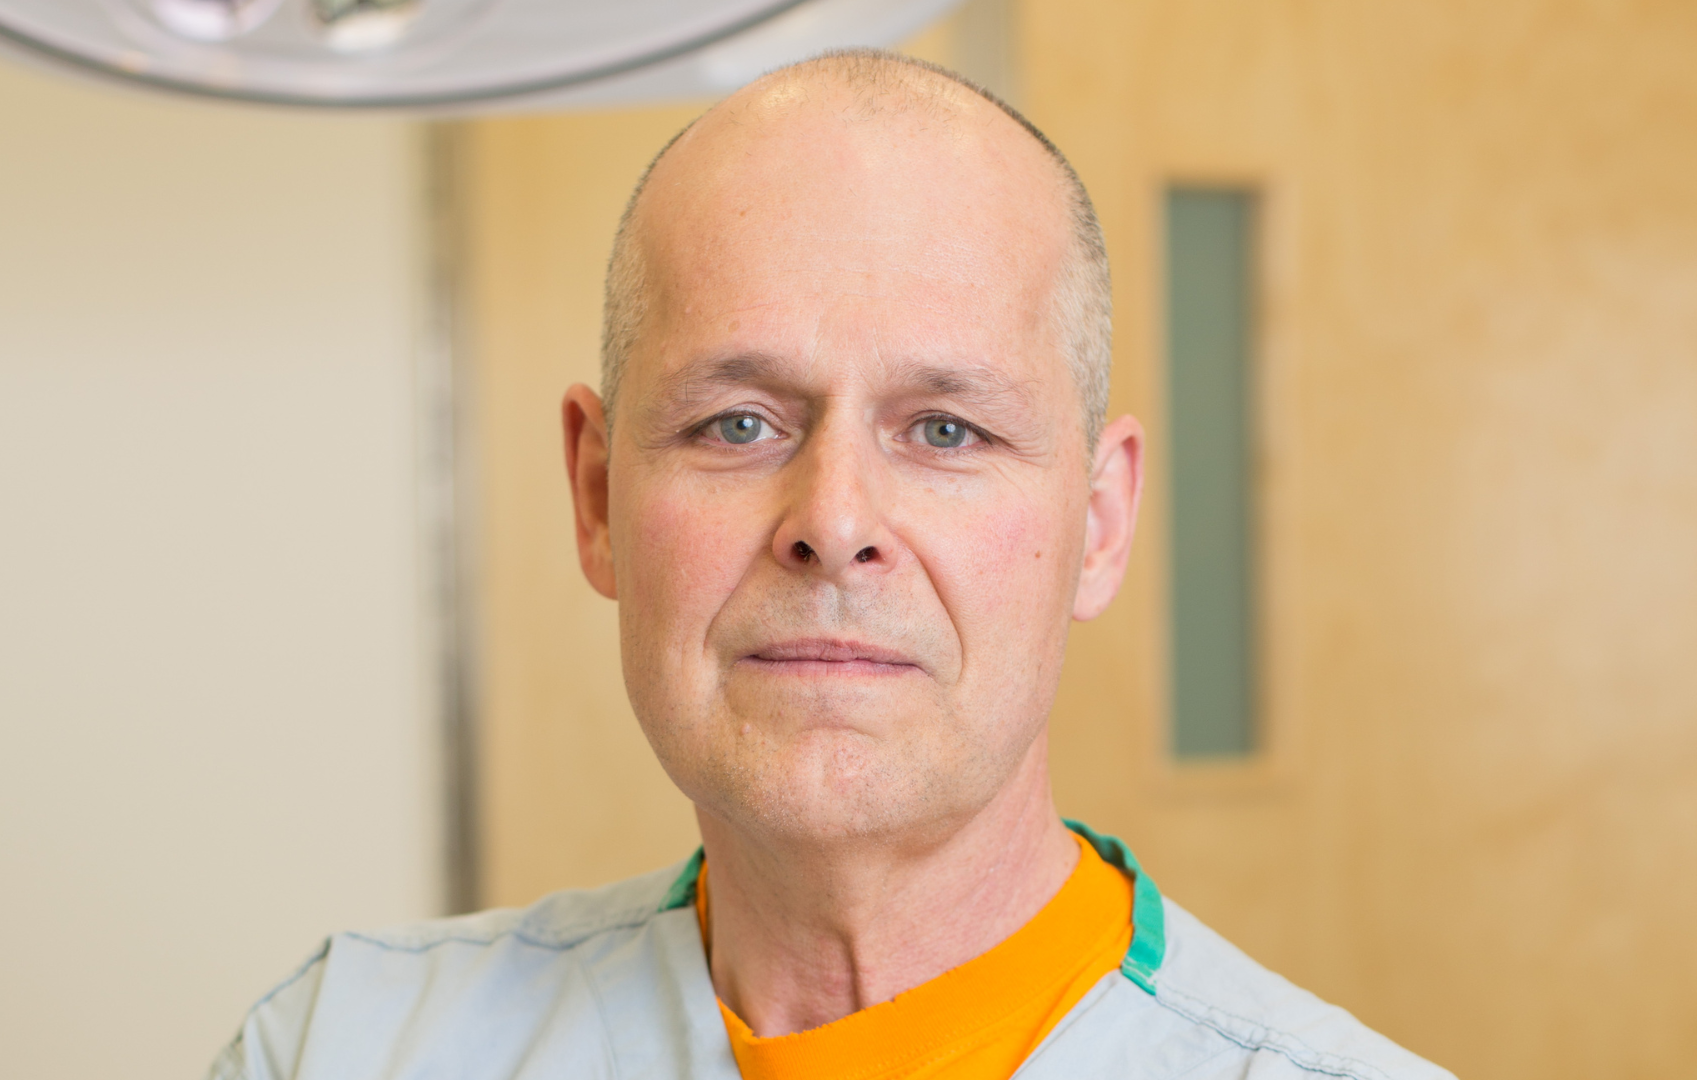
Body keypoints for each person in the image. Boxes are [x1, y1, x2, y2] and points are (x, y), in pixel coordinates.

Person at [207, 51, 1452, 1080]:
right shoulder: (338, 1048)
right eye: (737, 423)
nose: (834, 521)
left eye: (946, 430)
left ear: (1101, 522)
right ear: (596, 497)